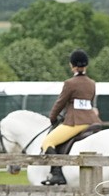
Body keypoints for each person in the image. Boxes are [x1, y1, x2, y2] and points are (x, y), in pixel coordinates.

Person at [39, 49, 102, 185]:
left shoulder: (70, 83)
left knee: (47, 142)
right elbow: (90, 102)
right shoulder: (92, 83)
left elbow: (60, 103)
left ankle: (57, 174)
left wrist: (52, 118)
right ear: (86, 65)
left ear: (71, 65)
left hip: (76, 122)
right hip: (92, 120)